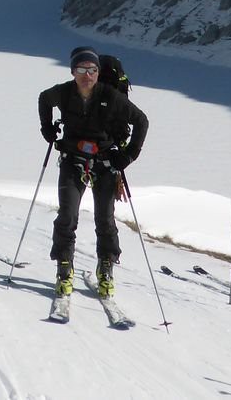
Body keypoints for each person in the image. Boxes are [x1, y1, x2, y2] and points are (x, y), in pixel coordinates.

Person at [37, 46, 148, 297]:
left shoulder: (110, 96)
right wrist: (47, 129)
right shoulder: (64, 93)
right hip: (74, 160)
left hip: (104, 162)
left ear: (98, 72)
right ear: (73, 71)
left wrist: (128, 155)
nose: (87, 75)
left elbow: (141, 121)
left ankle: (105, 266)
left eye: (92, 70)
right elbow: (44, 98)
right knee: (67, 215)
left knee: (105, 219)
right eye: (81, 69)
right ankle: (65, 266)